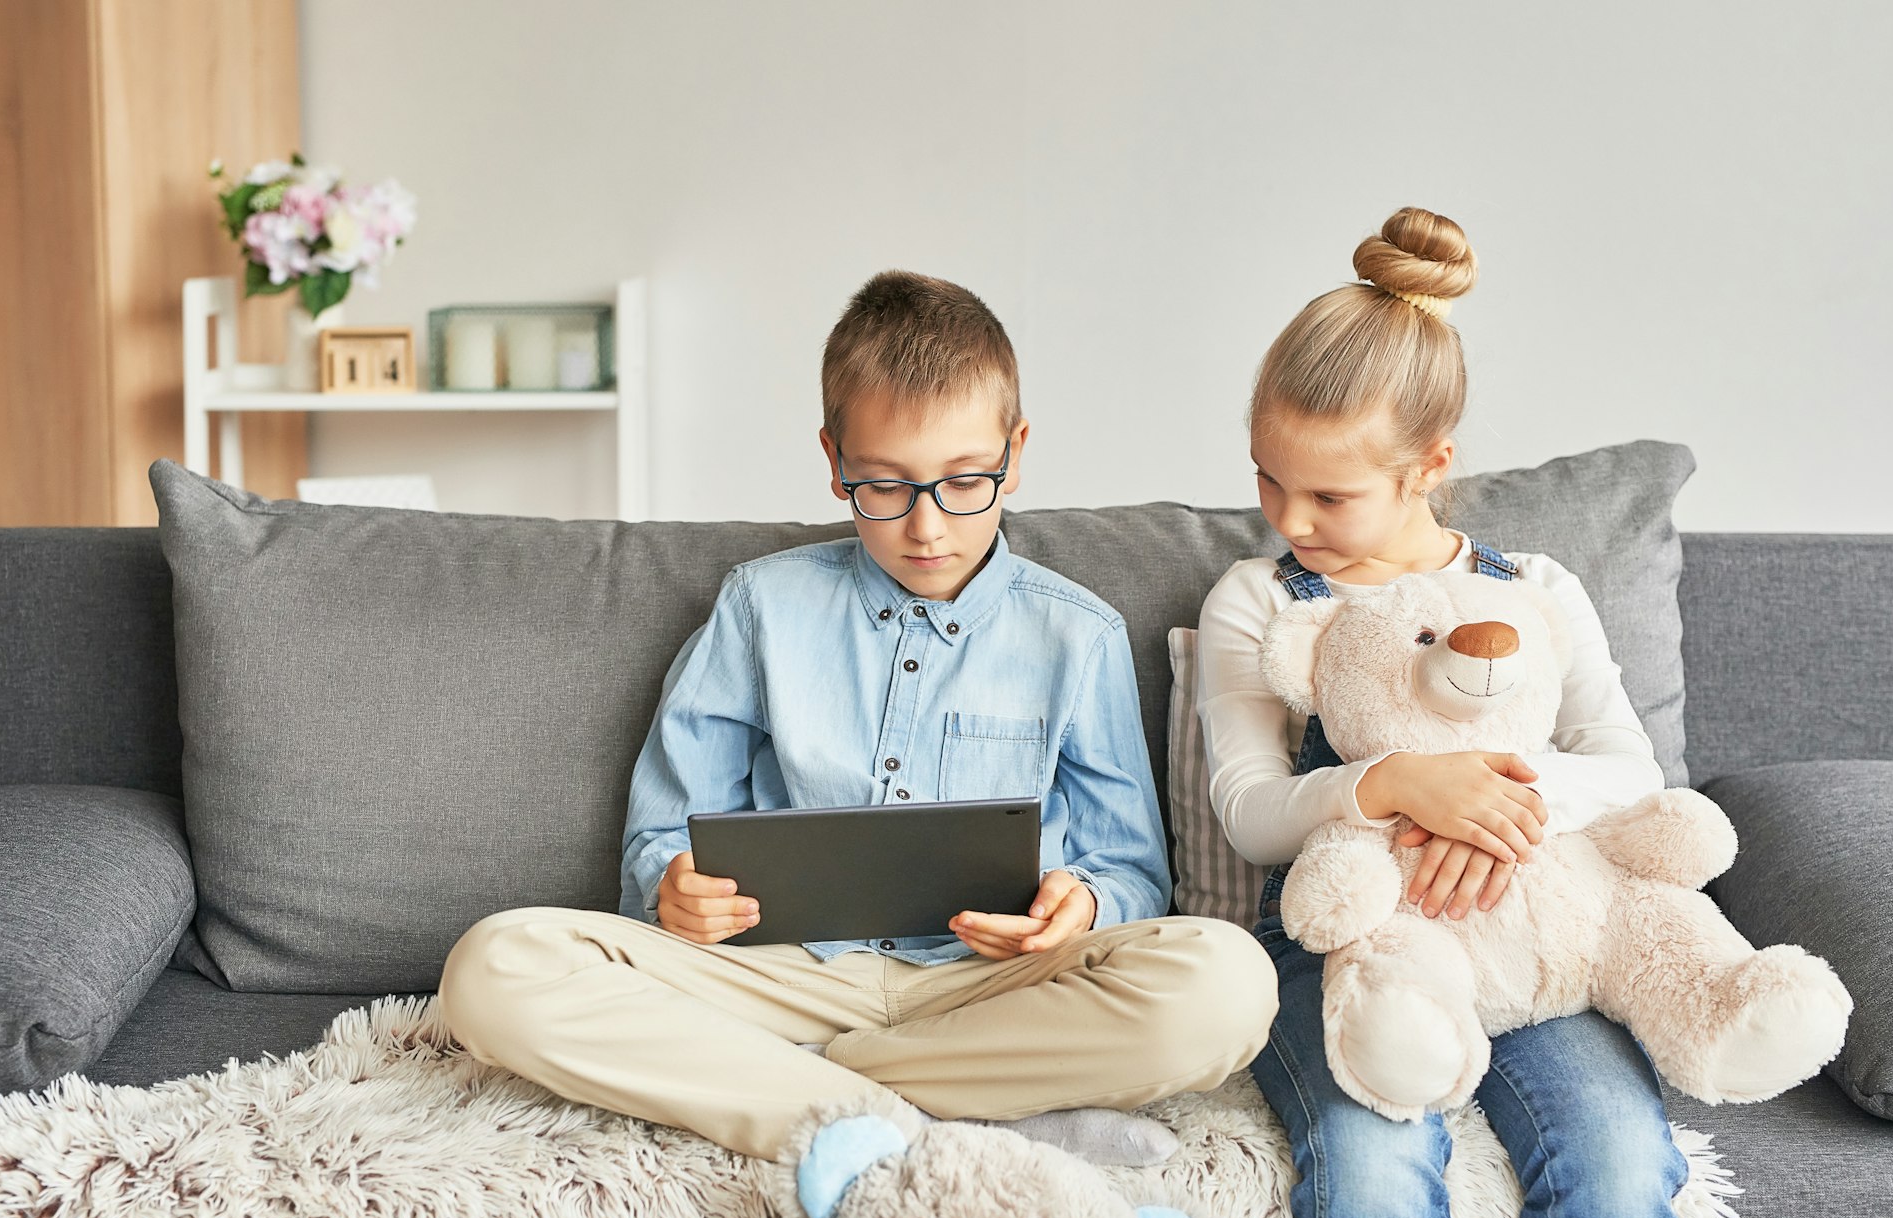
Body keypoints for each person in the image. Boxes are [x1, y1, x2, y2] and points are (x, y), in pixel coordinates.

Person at [441, 269, 1277, 1164]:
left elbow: (1132, 872)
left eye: (964, 481)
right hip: (775, 975)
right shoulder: (760, 606)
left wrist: (1082, 905)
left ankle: (804, 1091)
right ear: (836, 460)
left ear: (1017, 450)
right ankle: (940, 1119)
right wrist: (672, 887)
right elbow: (665, 831)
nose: (927, 527)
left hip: (990, 991)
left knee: (1226, 984)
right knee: (494, 967)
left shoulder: (1079, 634)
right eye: (884, 486)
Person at [1197, 208, 1688, 1218]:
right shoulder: (1260, 599)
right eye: (1268, 480)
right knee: (1372, 1176)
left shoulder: (1539, 592)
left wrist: (1488, 810)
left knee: (1616, 1171)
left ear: (1431, 465)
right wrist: (1389, 790)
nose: (1287, 518)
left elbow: (1628, 771)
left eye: (1328, 496)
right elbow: (1250, 811)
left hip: (1533, 937)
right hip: (1336, 940)